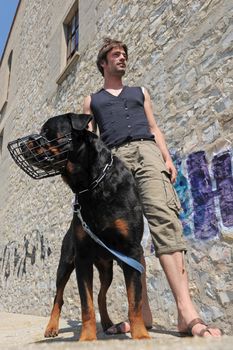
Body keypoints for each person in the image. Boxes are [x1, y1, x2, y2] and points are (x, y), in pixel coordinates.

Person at [83, 38, 222, 337]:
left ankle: (186, 314)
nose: (122, 58)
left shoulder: (140, 92)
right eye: (115, 55)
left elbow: (155, 127)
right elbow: (89, 142)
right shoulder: (92, 100)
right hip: (114, 161)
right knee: (129, 237)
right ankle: (141, 315)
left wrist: (167, 159)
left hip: (147, 153)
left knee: (165, 221)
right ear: (103, 63)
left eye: (124, 54)